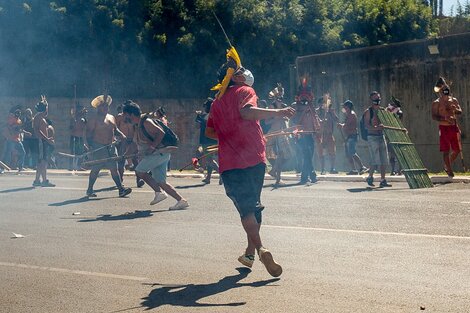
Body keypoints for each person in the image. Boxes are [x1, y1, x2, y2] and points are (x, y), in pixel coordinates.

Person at [206, 48, 294, 277]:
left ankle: (257, 249)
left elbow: (210, 132)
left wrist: (229, 134)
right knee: (253, 205)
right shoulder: (246, 90)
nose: (245, 72)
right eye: (240, 69)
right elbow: (247, 113)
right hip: (254, 158)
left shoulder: (216, 103)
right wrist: (279, 112)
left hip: (230, 163)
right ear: (233, 76)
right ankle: (253, 250)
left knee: (247, 208)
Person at [122, 101, 189, 210]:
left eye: (125, 115)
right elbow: (134, 143)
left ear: (131, 114)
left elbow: (161, 133)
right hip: (159, 155)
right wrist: (126, 155)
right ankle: (181, 200)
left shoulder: (146, 122)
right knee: (161, 181)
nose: (124, 118)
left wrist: (152, 147)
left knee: (140, 171)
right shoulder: (137, 126)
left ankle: (158, 192)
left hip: (159, 153)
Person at [84, 95, 132, 198]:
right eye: (103, 106)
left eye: (107, 106)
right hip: (98, 147)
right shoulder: (93, 120)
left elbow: (115, 129)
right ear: (98, 108)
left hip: (111, 146)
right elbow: (88, 135)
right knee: (96, 169)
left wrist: (121, 135)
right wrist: (91, 147)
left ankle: (121, 189)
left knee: (114, 168)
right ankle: (89, 189)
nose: (105, 108)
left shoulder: (111, 117)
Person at [431, 77, 462, 177]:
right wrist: (445, 118)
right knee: (445, 151)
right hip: (444, 128)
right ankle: (449, 170)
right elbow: (434, 116)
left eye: (447, 89)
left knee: (457, 150)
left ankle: (446, 165)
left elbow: (460, 111)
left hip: (453, 127)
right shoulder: (436, 102)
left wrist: (455, 109)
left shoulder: (454, 100)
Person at [291, 78, 320, 184]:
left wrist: (318, 127)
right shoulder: (295, 107)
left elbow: (315, 120)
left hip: (310, 135)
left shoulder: (311, 106)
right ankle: (309, 176)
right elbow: (295, 121)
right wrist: (304, 111)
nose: (305, 97)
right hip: (300, 135)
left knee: (309, 155)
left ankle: (310, 175)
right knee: (307, 155)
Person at [265, 83, 292, 186]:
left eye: (281, 97)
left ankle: (274, 171)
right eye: (278, 97)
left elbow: (287, 120)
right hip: (273, 132)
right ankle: (277, 177)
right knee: (277, 156)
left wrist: (286, 120)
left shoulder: (285, 107)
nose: (280, 98)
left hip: (282, 133)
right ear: (275, 97)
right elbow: (267, 121)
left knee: (285, 155)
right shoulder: (272, 106)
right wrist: (277, 118)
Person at [363, 91, 392, 188]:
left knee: (384, 159)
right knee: (375, 159)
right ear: (371, 100)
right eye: (375, 98)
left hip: (381, 136)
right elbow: (366, 126)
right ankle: (370, 176)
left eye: (378, 98)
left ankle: (383, 180)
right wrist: (376, 128)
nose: (377, 100)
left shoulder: (383, 110)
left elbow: (388, 122)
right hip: (372, 137)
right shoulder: (368, 112)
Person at [116, 102, 143, 187]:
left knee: (136, 161)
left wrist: (135, 139)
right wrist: (119, 137)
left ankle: (139, 180)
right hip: (122, 141)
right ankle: (120, 181)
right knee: (121, 161)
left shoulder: (132, 117)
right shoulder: (119, 117)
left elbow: (136, 128)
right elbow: (115, 128)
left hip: (132, 141)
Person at [338, 100, 367, 175]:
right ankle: (353, 169)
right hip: (349, 136)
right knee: (348, 154)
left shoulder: (352, 114)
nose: (343, 108)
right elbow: (346, 125)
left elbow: (347, 125)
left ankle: (362, 167)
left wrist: (341, 125)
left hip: (352, 136)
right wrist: (342, 125)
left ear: (348, 107)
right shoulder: (348, 114)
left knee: (352, 152)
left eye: (344, 106)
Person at [195, 97, 220, 184]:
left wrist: (198, 116)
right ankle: (208, 178)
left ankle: (222, 175)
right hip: (211, 140)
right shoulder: (212, 115)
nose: (204, 108)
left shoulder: (207, 116)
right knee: (210, 159)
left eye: (205, 106)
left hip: (207, 140)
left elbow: (197, 126)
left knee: (209, 160)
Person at [32, 97, 55, 187]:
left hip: (42, 141)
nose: (47, 110)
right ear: (44, 108)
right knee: (43, 162)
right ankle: (44, 180)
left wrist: (46, 103)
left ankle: (37, 180)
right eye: (46, 108)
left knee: (41, 162)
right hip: (41, 141)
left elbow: (39, 129)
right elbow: (38, 130)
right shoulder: (38, 117)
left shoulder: (40, 116)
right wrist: (47, 139)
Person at [317, 94, 339, 174]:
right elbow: (316, 122)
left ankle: (332, 168)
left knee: (332, 152)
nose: (324, 104)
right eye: (322, 103)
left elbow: (337, 120)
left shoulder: (330, 111)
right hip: (320, 135)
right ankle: (323, 169)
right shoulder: (317, 112)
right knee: (321, 153)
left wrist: (332, 113)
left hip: (329, 135)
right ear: (319, 104)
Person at [386, 97, 404, 175]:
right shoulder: (389, 111)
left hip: (397, 134)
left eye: (393, 104)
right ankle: (393, 170)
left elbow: (396, 120)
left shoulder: (399, 112)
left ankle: (399, 170)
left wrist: (392, 112)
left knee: (398, 153)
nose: (391, 105)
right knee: (391, 153)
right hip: (390, 134)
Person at [69, 103, 87, 171]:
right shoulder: (73, 119)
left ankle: (79, 166)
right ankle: (71, 166)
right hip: (74, 137)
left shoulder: (83, 120)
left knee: (81, 152)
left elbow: (84, 127)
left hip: (81, 137)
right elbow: (72, 128)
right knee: (73, 152)